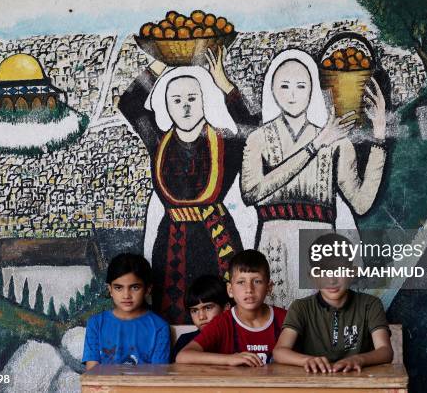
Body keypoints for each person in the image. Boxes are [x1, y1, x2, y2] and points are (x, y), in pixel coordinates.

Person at [223, 48, 388, 308]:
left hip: (320, 246)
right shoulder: (259, 139)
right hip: (274, 245)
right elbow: (251, 192)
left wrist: (379, 136)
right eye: (284, 86)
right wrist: (313, 147)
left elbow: (361, 202)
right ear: (273, 90)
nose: (292, 94)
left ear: (312, 90)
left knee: (318, 329)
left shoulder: (335, 141)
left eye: (301, 86)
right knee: (278, 325)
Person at [118, 48, 256, 323]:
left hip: (218, 240)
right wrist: (162, 61)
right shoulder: (158, 141)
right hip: (172, 241)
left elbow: (251, 128)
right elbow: (130, 104)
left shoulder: (224, 144)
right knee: (174, 318)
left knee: (224, 316)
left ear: (204, 101)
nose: (185, 106)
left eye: (192, 98)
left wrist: (224, 83)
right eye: (176, 100)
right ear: (167, 106)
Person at [273, 233, 393, 373]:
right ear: (312, 276)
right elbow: (279, 352)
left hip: (360, 383)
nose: (331, 280)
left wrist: (358, 359)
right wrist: (307, 360)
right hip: (314, 384)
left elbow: (385, 351)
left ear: (352, 272)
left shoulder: (370, 305)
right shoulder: (301, 307)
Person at [175, 249, 287, 366]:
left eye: (257, 281)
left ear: (269, 288)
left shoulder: (286, 318)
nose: (249, 289)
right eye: (241, 282)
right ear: (230, 290)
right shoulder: (222, 322)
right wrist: (229, 359)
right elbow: (183, 356)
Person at [82, 253, 170, 369]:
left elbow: (157, 375)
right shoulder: (96, 323)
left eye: (135, 287)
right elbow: (92, 371)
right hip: (104, 387)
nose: (126, 295)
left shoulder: (159, 327)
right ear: (110, 290)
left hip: (144, 387)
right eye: (118, 287)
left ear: (148, 289)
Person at [170, 274, 231, 362]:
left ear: (226, 308)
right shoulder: (185, 341)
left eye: (208, 308)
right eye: (194, 311)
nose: (201, 317)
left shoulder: (235, 338)